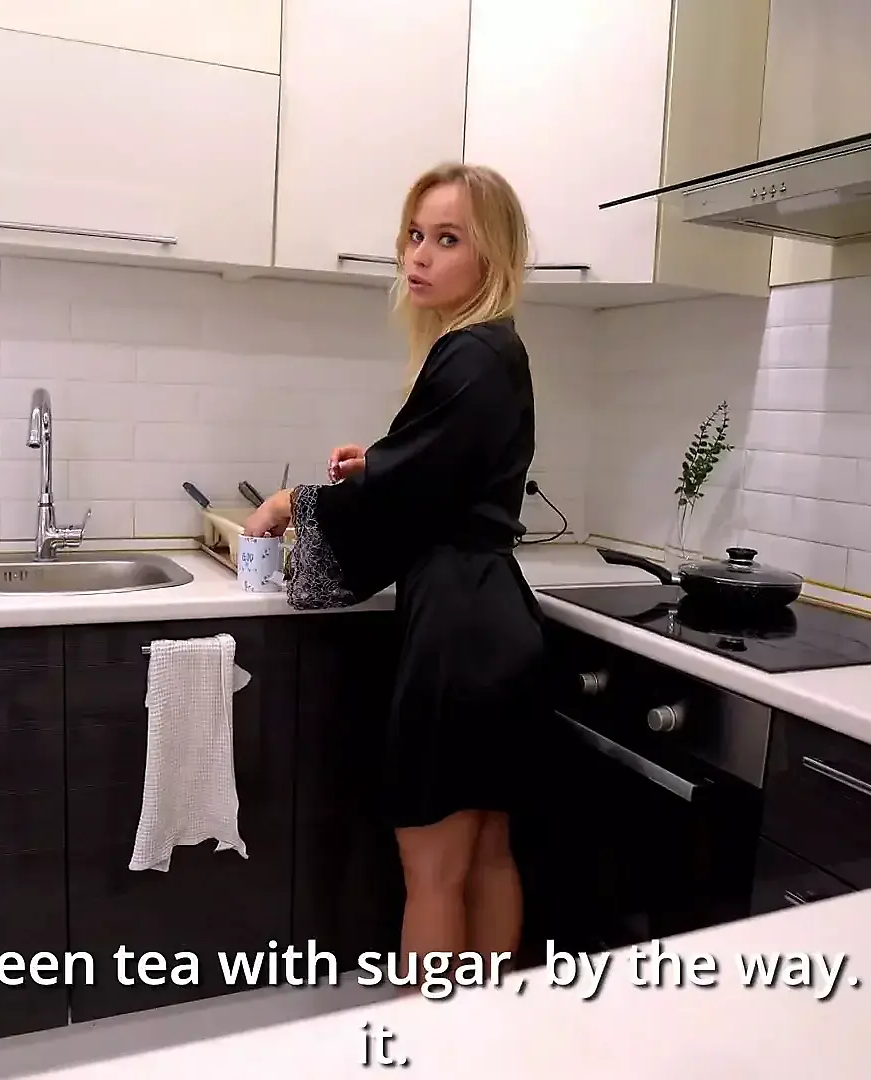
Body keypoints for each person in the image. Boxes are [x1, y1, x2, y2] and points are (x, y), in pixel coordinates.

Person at [242, 162, 545, 990]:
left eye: (448, 239)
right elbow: (440, 469)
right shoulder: (496, 350)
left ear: (492, 257)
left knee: (434, 872)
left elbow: (416, 489)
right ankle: (493, 1037)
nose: (420, 255)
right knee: (487, 853)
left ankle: (434, 1045)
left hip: (455, 629)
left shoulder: (469, 351)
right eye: (415, 235)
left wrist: (293, 502)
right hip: (498, 622)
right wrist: (377, 463)